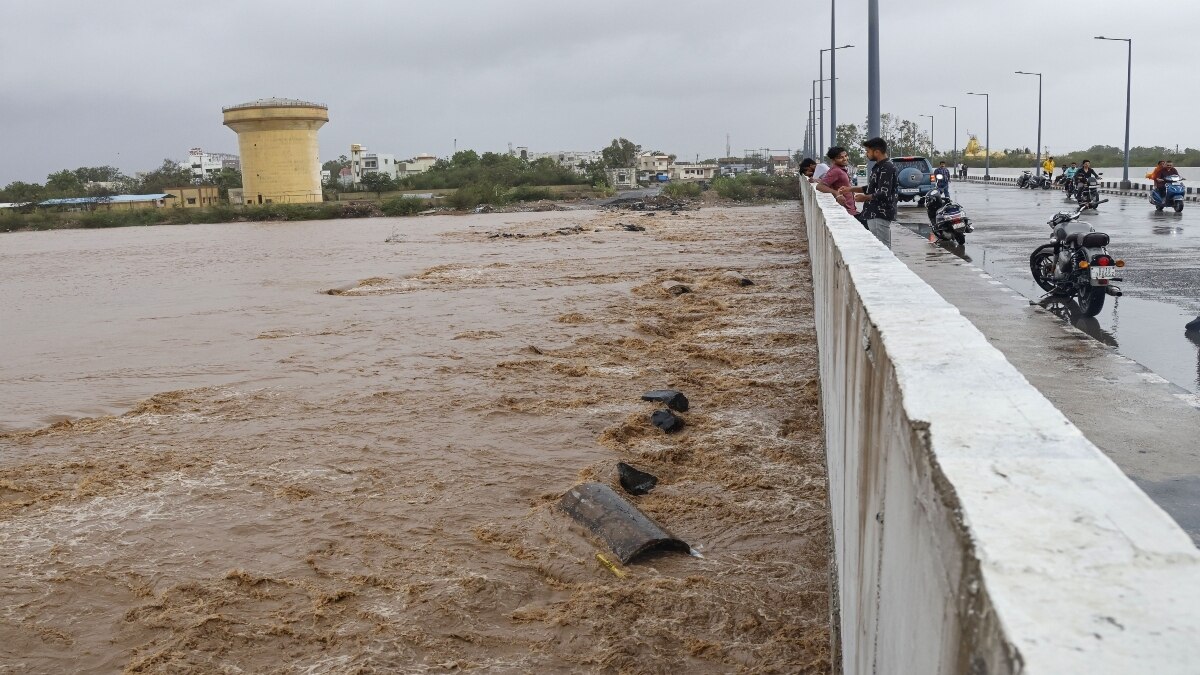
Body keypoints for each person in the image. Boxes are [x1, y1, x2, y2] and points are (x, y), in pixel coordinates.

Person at [840, 137, 898, 244]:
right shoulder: (879, 167)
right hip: (872, 214)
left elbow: (884, 193)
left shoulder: (887, 167)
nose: (866, 154)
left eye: (868, 151)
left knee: (883, 249)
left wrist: (864, 198)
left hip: (879, 214)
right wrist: (850, 189)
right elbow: (872, 188)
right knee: (876, 248)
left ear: (877, 152)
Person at [814, 146, 859, 221]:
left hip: (851, 210)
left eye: (845, 156)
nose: (844, 159)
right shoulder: (836, 171)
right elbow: (819, 186)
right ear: (833, 160)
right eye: (840, 157)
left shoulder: (842, 170)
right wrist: (836, 193)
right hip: (846, 211)